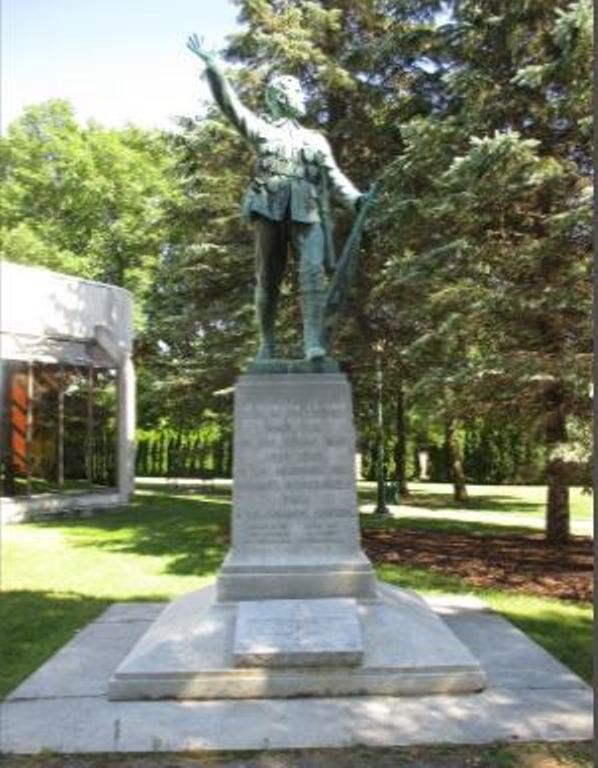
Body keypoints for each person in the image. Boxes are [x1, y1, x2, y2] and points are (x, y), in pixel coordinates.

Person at [187, 34, 366, 361]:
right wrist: (214, 68)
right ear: (280, 97)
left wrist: (356, 199)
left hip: (307, 211)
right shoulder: (261, 130)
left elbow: (334, 176)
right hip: (268, 207)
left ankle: (314, 342)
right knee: (268, 278)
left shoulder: (315, 140)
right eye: (297, 91)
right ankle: (266, 344)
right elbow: (231, 106)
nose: (303, 96)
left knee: (312, 274)